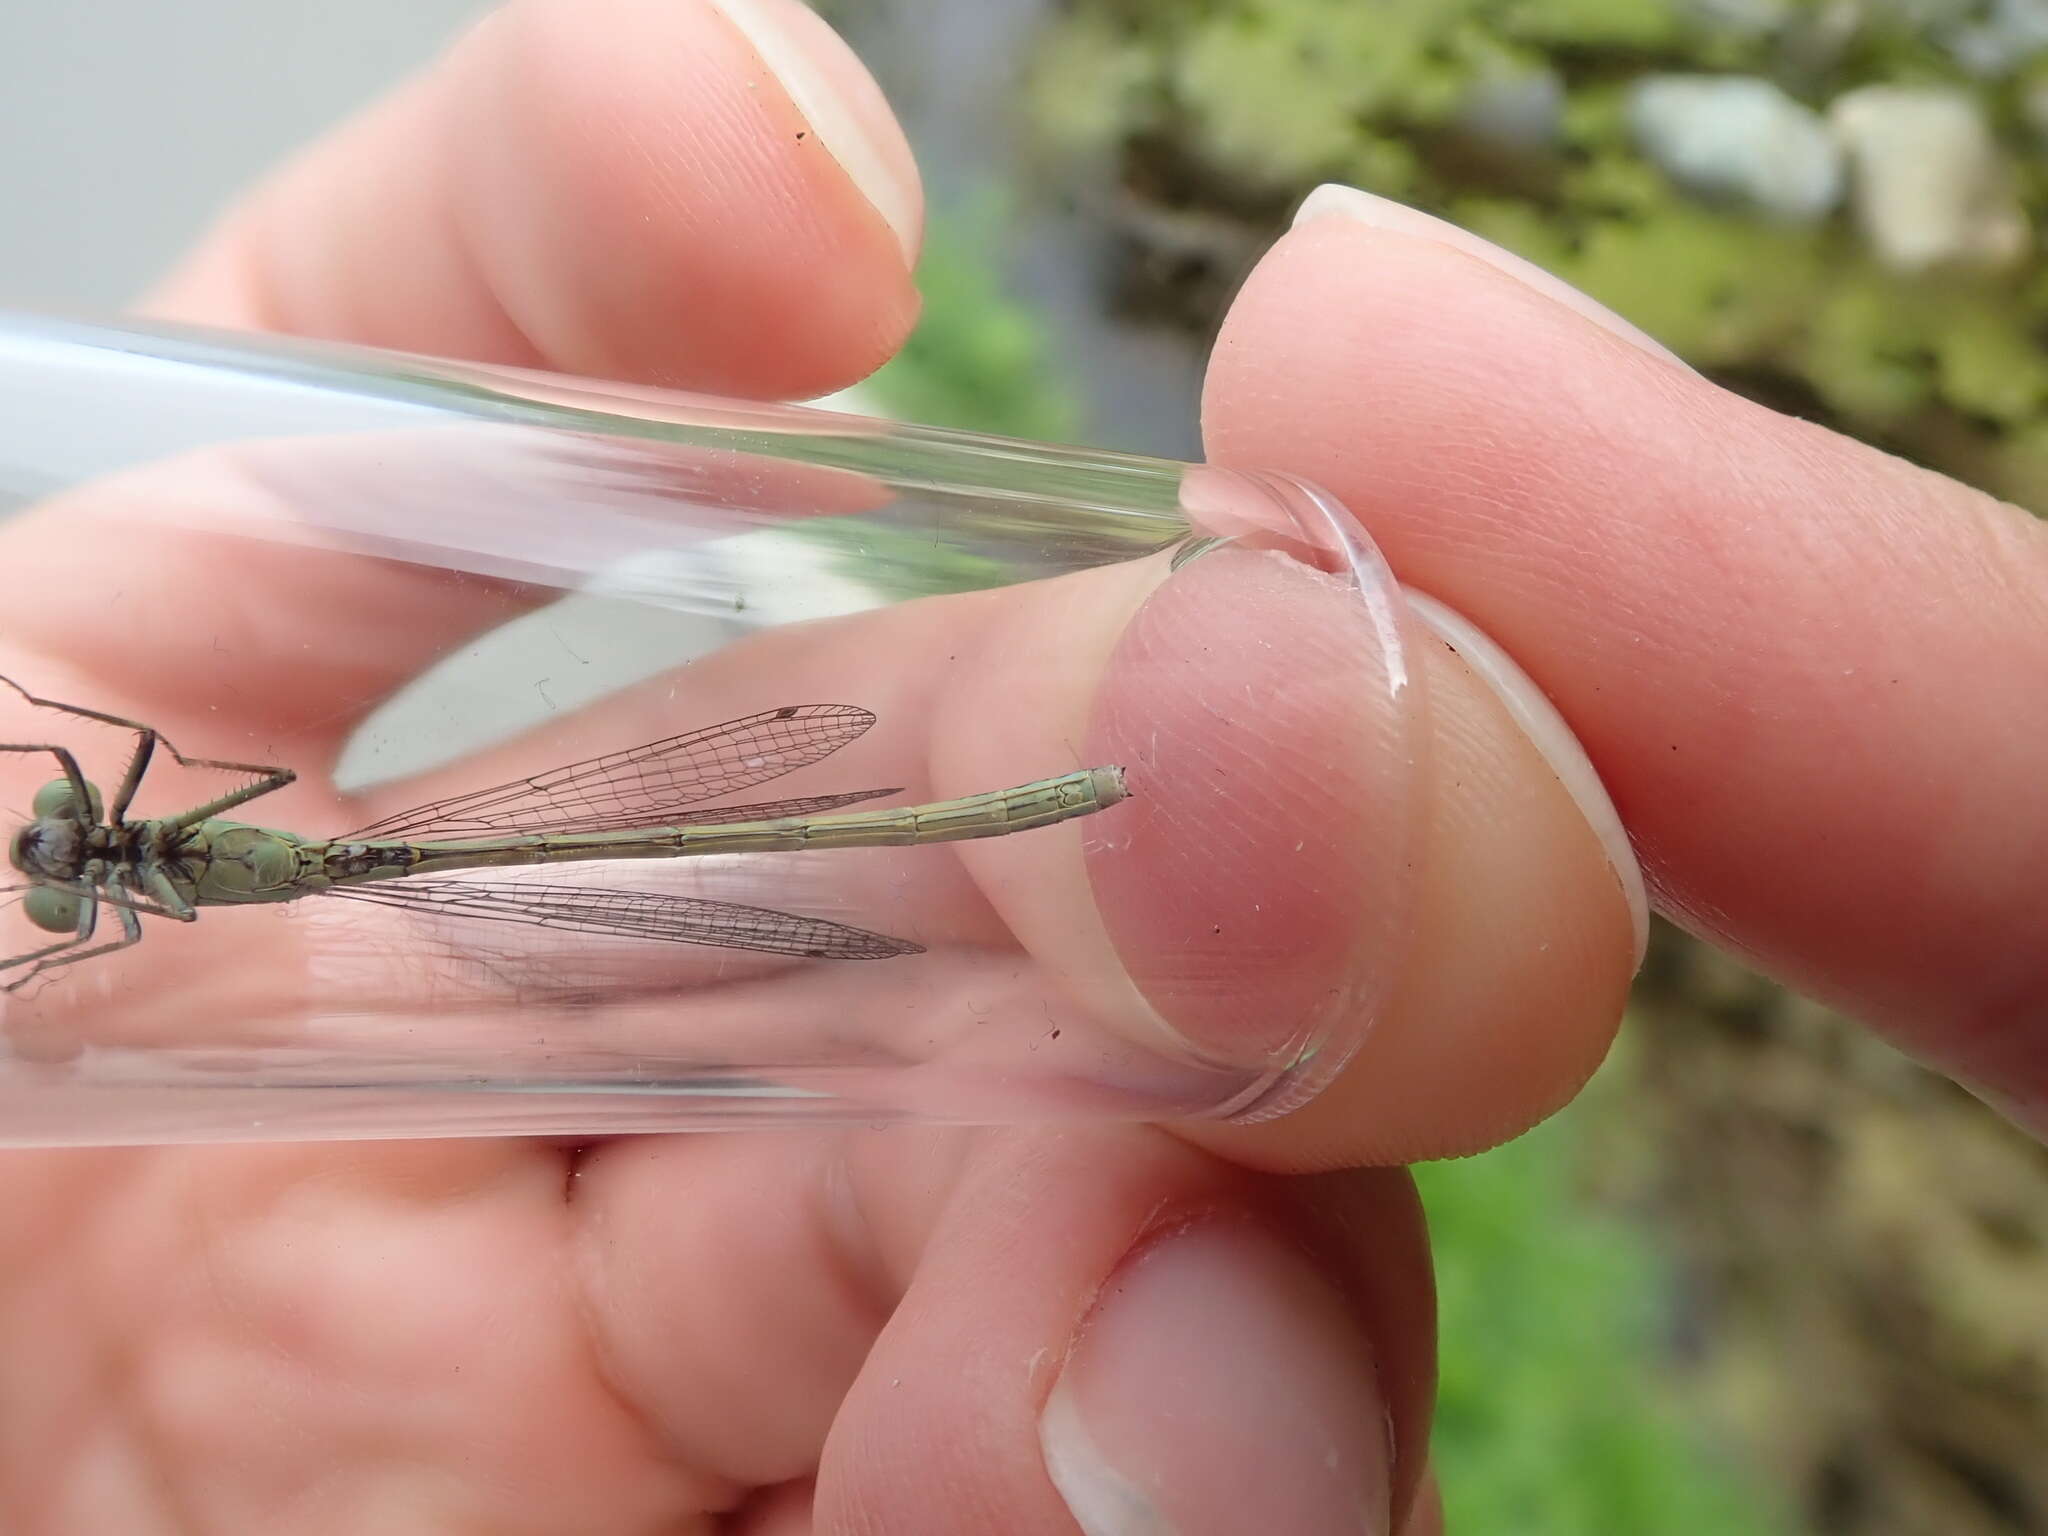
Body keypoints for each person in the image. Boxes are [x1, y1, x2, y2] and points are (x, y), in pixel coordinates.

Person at [2, 2, 2040, 1531]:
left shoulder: (166, 848)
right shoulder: (181, 888)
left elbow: (154, 808)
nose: (79, 854)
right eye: (87, 859)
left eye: (74, 847)